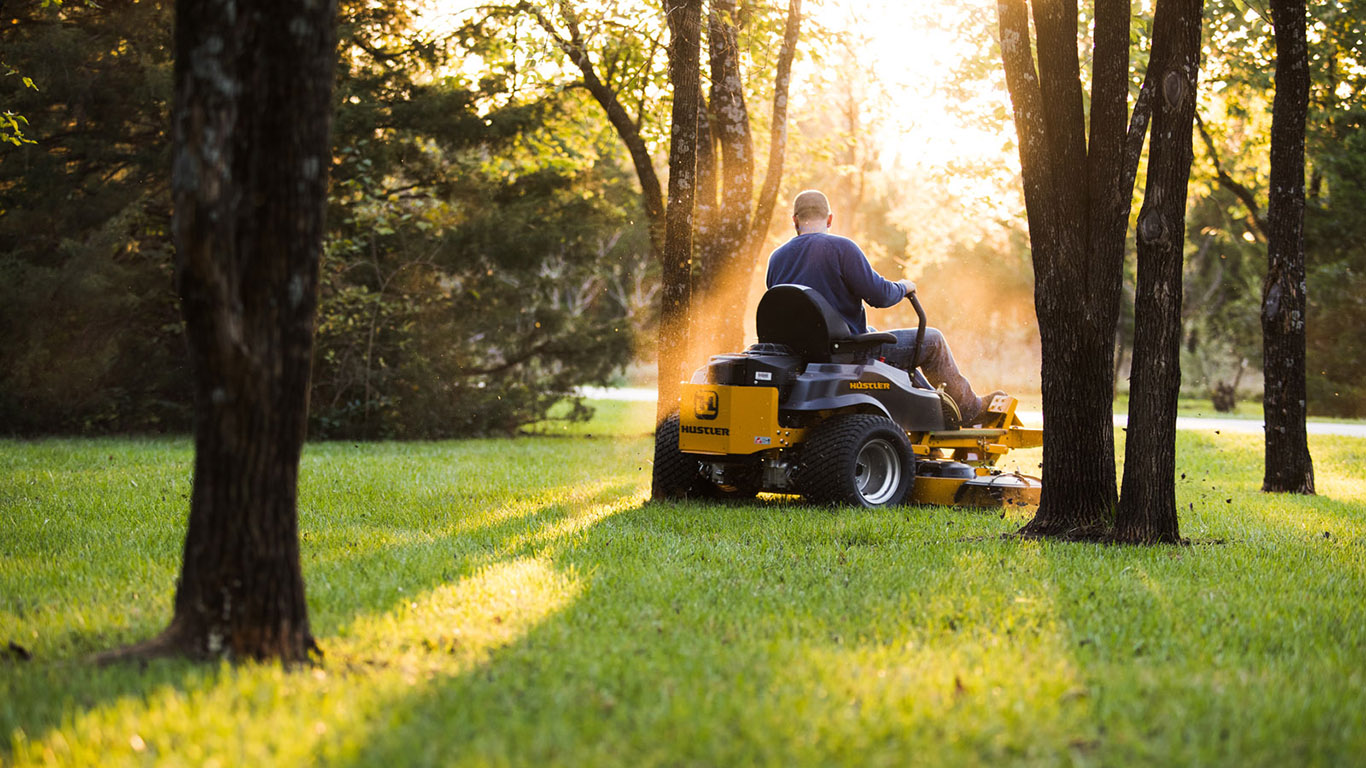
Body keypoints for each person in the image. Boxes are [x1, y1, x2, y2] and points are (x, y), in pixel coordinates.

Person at [765, 189, 1004, 425]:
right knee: (933, 341)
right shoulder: (841, 248)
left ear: (794, 221)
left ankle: (940, 410)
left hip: (799, 355)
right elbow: (879, 295)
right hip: (844, 354)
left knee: (878, 338)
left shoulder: (776, 258)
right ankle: (971, 411)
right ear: (829, 219)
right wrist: (904, 287)